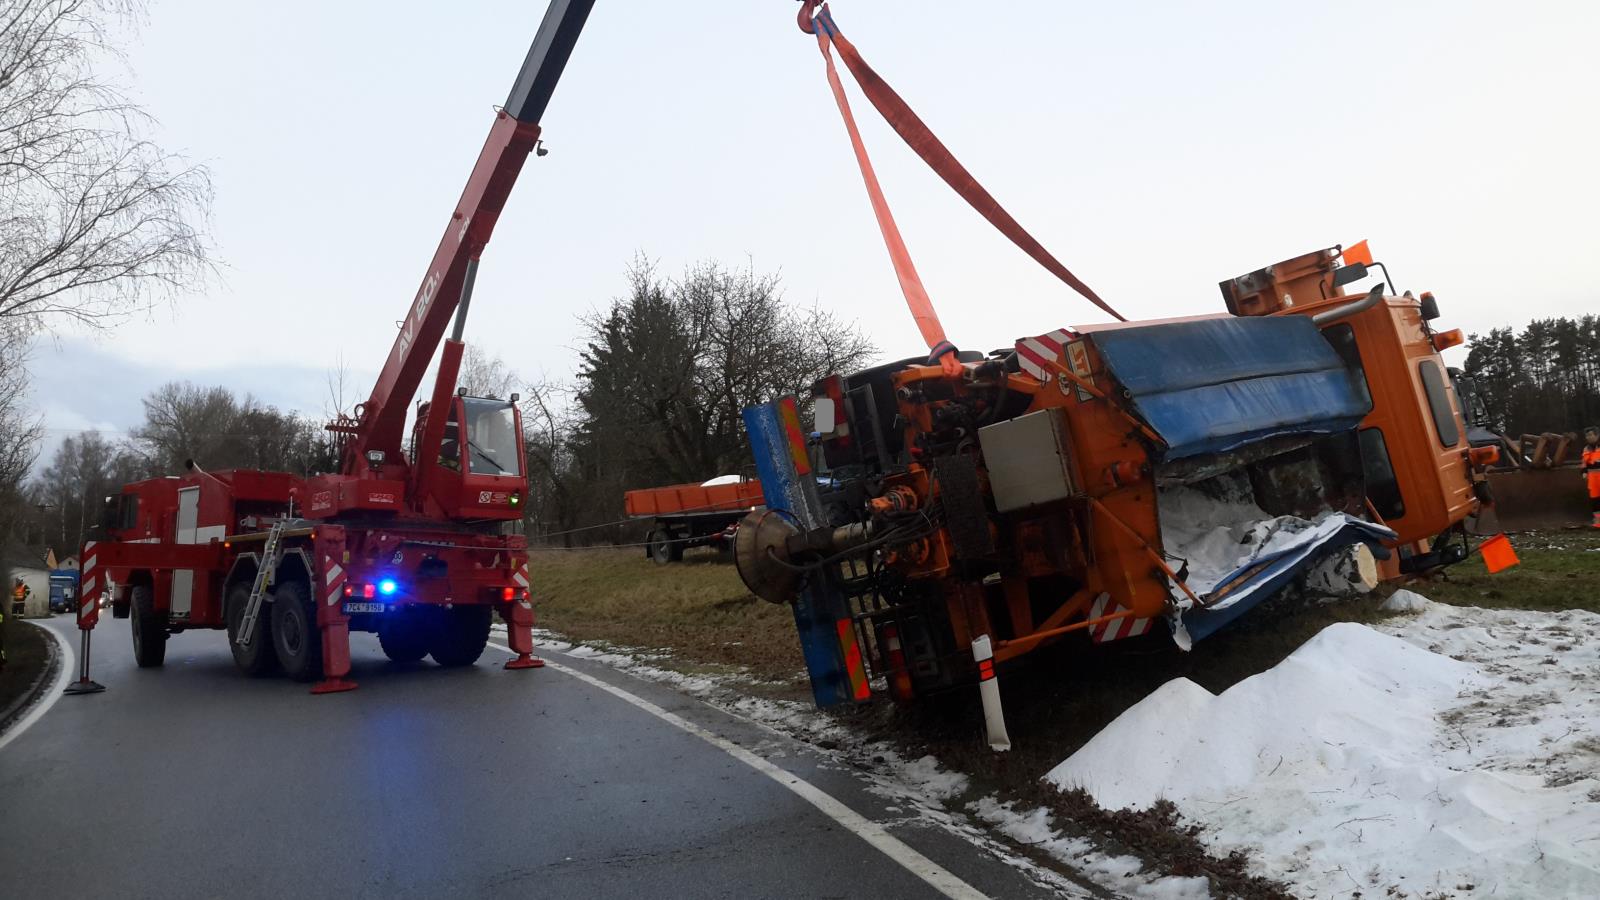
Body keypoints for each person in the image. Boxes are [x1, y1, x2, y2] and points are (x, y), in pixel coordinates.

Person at [1584, 426, 1600, 529]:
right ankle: (1598, 522)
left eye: (1590, 435)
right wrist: (1584, 471)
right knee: (1595, 500)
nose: (1588, 437)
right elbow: (1584, 462)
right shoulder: (1586, 449)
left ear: (1597, 435)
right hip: (1592, 479)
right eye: (1587, 435)